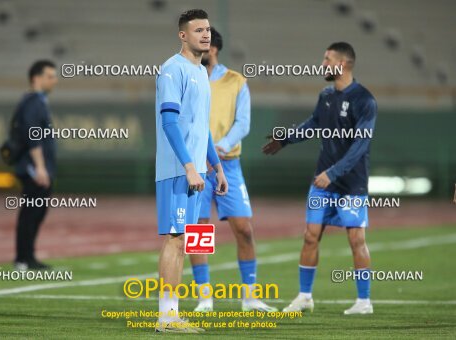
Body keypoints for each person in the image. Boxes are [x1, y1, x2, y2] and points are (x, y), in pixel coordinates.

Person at [263, 42, 377, 315]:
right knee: (310, 235)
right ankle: (304, 297)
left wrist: (333, 173)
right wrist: (285, 139)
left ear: (343, 63)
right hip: (322, 183)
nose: (322, 64)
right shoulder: (326, 95)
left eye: (327, 59)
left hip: (351, 184)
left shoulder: (365, 100)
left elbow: (359, 147)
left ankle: (364, 302)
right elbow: (314, 124)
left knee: (356, 240)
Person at [189, 27, 277, 313]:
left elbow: (243, 123)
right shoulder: (187, 78)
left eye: (201, 44)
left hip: (228, 164)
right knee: (199, 231)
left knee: (245, 230)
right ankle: (205, 298)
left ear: (213, 48)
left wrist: (219, 148)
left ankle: (249, 297)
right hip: (196, 166)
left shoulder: (236, 81)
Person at [155, 9, 228, 333]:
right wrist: (188, 167)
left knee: (186, 243)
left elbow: (202, 128)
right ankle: (166, 317)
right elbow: (169, 122)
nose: (205, 34)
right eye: (198, 30)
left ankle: (172, 314)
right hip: (178, 171)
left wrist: (216, 167)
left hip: (198, 172)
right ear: (182, 35)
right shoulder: (172, 70)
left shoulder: (201, 73)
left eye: (208, 29)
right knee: (175, 239)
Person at [14, 60, 58, 271]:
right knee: (30, 214)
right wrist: (40, 168)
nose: (54, 80)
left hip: (39, 167)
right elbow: (33, 137)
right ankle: (23, 259)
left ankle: (28, 256)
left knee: (35, 213)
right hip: (34, 168)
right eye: (50, 76)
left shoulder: (38, 101)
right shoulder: (33, 102)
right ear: (36, 78)